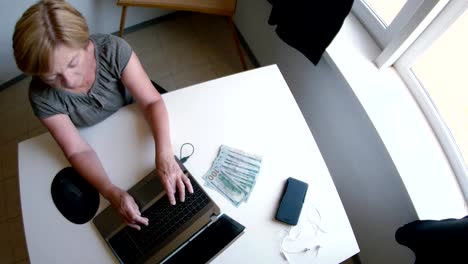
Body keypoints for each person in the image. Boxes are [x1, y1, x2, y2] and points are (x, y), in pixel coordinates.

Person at [12, 0, 193, 230]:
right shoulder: (41, 97)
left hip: (136, 116)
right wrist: (111, 191)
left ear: (87, 45)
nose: (67, 81)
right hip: (100, 140)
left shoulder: (113, 49)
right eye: (52, 77)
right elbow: (77, 149)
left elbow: (151, 101)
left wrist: (165, 155)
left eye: (72, 63)